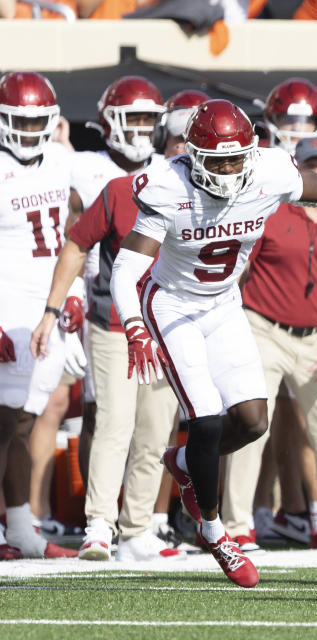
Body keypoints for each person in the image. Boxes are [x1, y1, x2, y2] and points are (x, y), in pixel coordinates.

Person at [109, 99, 317, 587]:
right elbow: (127, 267)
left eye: (233, 158)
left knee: (253, 421)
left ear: (251, 151)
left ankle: (182, 462)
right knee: (204, 417)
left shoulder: (268, 170)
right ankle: (216, 534)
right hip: (173, 305)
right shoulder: (168, 185)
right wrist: (135, 326)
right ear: (191, 154)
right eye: (214, 159)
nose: (225, 168)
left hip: (222, 304)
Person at [30, 102, 194, 562]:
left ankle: (138, 527)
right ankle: (99, 524)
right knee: (115, 423)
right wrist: (51, 310)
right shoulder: (120, 189)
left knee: (155, 430)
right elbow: (78, 243)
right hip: (116, 323)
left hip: (166, 326)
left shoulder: (199, 198)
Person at [224, 135, 317, 550]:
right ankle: (237, 528)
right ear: (296, 169)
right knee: (252, 427)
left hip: (315, 340)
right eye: (309, 165)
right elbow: (237, 272)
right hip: (262, 329)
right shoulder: (270, 211)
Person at [70, 75, 166, 493]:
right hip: (98, 302)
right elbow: (70, 238)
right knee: (101, 415)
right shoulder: (85, 168)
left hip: (155, 306)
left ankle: (146, 518)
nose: (142, 128)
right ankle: (93, 515)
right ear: (109, 120)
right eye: (134, 118)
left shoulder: (165, 170)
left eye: (149, 119)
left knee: (156, 421)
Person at [0, 71, 77, 560]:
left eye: (37, 124)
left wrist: (72, 292)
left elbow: (76, 227)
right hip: (7, 306)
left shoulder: (64, 160)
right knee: (5, 423)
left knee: (26, 422)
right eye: (18, 123)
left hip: (47, 307)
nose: (29, 134)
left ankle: (21, 527)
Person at [261, 78, 317, 155]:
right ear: (274, 121)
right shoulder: (258, 159)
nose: (297, 128)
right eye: (289, 119)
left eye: (305, 120)